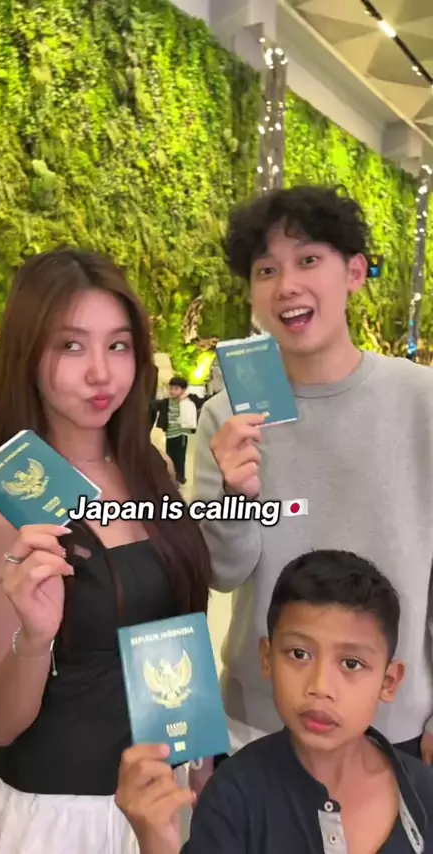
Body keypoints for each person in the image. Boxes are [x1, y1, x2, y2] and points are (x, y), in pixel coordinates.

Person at [0, 249, 211, 854]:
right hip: (58, 818)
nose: (101, 373)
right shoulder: (4, 517)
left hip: (158, 803)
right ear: (28, 356)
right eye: (72, 346)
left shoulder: (150, 470)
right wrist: (34, 640)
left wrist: (198, 752)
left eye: (118, 345)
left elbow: (170, 625)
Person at [191, 185, 433, 766]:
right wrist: (234, 496)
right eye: (266, 270)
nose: (287, 285)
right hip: (260, 720)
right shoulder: (228, 417)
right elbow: (222, 574)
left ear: (354, 273)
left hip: (394, 718)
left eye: (308, 260)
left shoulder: (420, 401)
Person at [115, 550, 433, 853]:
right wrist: (158, 844)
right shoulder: (232, 795)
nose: (320, 687)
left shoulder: (424, 791)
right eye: (299, 654)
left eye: (351, 663)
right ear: (267, 659)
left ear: (388, 682)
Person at [150, 377, 197, 486]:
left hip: (181, 434)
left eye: (176, 388)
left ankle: (180, 478)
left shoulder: (187, 401)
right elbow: (153, 404)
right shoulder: (166, 402)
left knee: (180, 458)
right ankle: (172, 478)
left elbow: (199, 401)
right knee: (170, 457)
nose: (172, 391)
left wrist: (188, 396)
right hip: (170, 434)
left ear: (183, 390)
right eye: (171, 388)